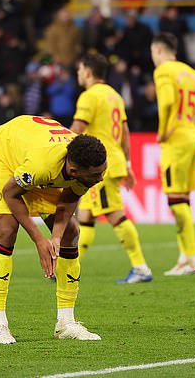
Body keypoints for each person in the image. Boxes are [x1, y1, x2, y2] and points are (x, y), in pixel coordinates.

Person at [0, 115, 107, 344]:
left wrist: (55, 237)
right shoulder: (43, 164)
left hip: (35, 159)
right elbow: (11, 193)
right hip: (1, 154)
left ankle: (66, 323)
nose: (101, 178)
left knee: (70, 232)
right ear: (74, 170)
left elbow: (69, 197)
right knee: (7, 229)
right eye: (96, 175)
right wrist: (40, 240)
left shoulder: (86, 160)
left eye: (102, 171)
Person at [70, 53, 152, 284]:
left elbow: (77, 128)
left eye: (79, 69)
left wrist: (58, 150)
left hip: (98, 166)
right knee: (85, 217)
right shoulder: (114, 96)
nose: (78, 74)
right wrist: (127, 164)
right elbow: (125, 133)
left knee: (115, 215)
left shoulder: (89, 97)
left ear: (87, 71)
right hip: (110, 161)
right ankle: (68, 267)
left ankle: (141, 266)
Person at [150, 32, 195, 275]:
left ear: (158, 51)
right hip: (192, 137)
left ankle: (193, 259)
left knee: (175, 199)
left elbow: (168, 101)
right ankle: (185, 257)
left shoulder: (163, 71)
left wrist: (162, 131)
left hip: (176, 141)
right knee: (182, 199)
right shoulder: (191, 72)